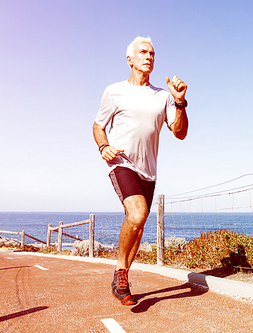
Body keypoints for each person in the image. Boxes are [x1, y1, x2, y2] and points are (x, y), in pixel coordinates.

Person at [92, 36, 189, 306]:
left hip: (149, 170)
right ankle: (121, 274)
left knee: (138, 223)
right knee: (138, 213)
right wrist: (104, 147)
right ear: (130, 59)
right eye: (143, 52)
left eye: (152, 53)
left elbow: (179, 133)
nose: (148, 56)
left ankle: (121, 276)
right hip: (121, 162)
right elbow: (98, 126)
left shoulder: (163, 96)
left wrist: (180, 102)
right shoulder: (114, 91)